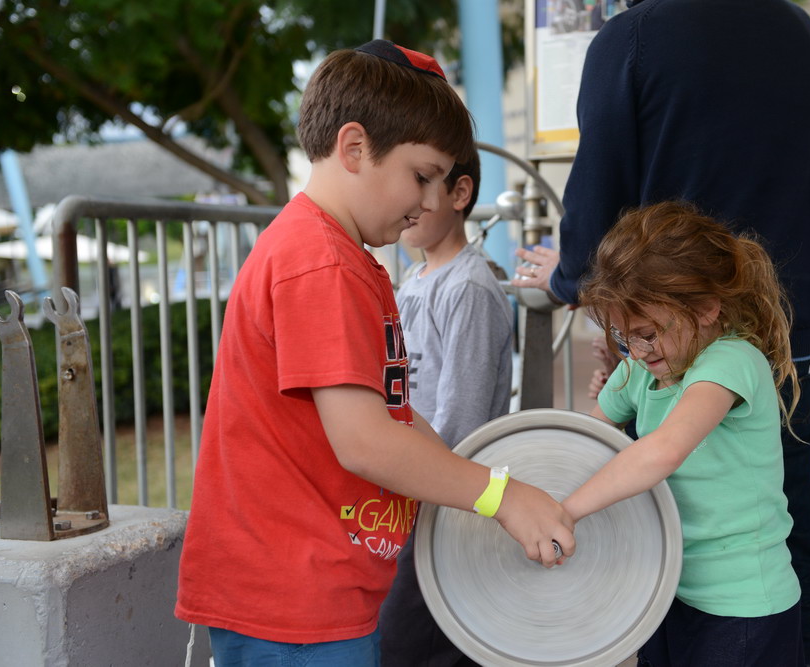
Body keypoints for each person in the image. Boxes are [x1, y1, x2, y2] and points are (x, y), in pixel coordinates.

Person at [174, 40, 575, 667]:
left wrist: (486, 491)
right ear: (355, 147)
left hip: (320, 593)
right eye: (421, 176)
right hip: (294, 608)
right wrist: (500, 496)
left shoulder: (343, 258)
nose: (429, 203)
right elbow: (365, 440)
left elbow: (394, 413)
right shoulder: (320, 262)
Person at [514, 1, 810, 664]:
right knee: (789, 532)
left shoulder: (635, 37)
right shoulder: (795, 27)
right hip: (787, 323)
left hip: (677, 310)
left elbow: (592, 208)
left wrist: (571, 281)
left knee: (668, 522)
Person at [564, 200, 805, 665]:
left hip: (742, 608)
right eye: (624, 338)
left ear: (706, 308)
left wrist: (566, 510)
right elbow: (585, 440)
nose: (637, 351)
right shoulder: (641, 368)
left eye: (648, 333)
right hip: (667, 590)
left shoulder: (730, 362)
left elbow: (663, 451)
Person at [379, 153, 513, 666]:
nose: (408, 201)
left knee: (414, 644)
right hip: (405, 491)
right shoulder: (415, 279)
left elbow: (462, 419)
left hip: (439, 501)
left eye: (422, 183)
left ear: (459, 193)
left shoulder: (469, 289)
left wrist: (417, 476)